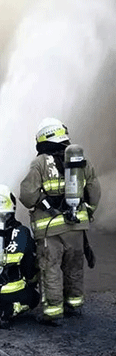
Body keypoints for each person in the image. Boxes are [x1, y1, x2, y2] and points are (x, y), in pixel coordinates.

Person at [19, 118, 101, 326]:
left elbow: (27, 196)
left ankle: (53, 312)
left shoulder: (40, 163)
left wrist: (43, 202)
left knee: (51, 268)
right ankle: (74, 305)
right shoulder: (81, 161)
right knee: (74, 266)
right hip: (77, 227)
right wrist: (87, 212)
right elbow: (94, 190)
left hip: (50, 230)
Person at [0, 185, 39, 328]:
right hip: (10, 293)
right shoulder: (22, 232)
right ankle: (9, 309)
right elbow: (29, 265)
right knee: (34, 298)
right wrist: (32, 280)